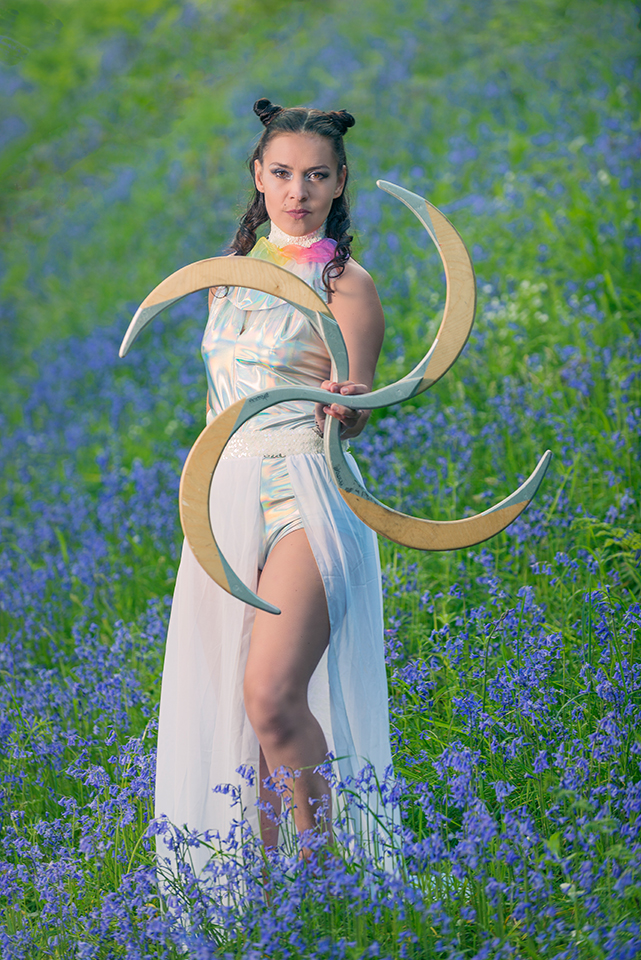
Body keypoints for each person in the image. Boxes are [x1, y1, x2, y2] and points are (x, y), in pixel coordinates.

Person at [154, 98, 393, 877]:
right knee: (234, 710)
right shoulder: (225, 277)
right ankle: (261, 895)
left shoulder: (345, 283)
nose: (298, 190)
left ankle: (326, 879)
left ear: (338, 182)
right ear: (258, 176)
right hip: (227, 500)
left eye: (316, 176)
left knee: (269, 695)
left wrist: (344, 407)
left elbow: (354, 412)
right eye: (283, 173)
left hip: (306, 491)